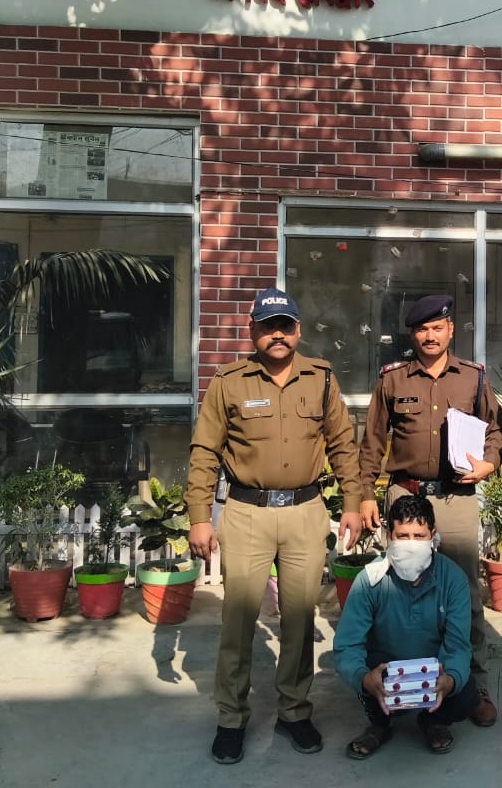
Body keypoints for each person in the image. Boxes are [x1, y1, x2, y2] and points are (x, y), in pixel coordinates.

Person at [186, 286, 363, 765]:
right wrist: (200, 517)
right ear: (254, 331)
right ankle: (231, 718)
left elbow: (343, 444)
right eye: (268, 327)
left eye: (285, 326)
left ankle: (294, 710)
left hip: (306, 512)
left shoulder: (320, 378)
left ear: (298, 330)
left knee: (300, 619)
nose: (277, 335)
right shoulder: (229, 381)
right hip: (247, 513)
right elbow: (204, 452)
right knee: (239, 620)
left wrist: (352, 501)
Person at [358, 293, 502, 726]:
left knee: (465, 594)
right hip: (405, 498)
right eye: (422, 329)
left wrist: (489, 463)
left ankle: (471, 682)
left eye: (437, 327)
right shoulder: (393, 380)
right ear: (413, 334)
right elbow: (372, 441)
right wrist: (365, 494)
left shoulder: (473, 378)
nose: (429, 336)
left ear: (450, 330)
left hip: (455, 498)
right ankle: (404, 679)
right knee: (400, 593)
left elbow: (495, 430)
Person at [335, 494, 480, 759]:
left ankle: (432, 720)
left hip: (434, 669)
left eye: (419, 536)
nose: (411, 544)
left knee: (466, 693)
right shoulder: (370, 580)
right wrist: (364, 678)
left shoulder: (453, 579)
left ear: (433, 535)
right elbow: (347, 645)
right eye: (402, 536)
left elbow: (458, 645)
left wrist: (450, 680)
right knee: (366, 668)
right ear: (389, 536)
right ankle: (380, 725)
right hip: (385, 669)